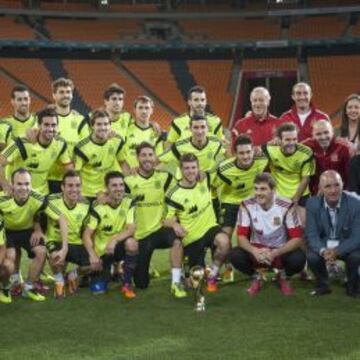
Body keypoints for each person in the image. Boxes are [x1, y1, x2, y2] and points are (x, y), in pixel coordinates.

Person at [230, 173, 305, 296]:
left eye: (263, 189)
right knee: (235, 255)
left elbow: (297, 238)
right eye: (256, 189)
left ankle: (283, 275)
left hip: (280, 251)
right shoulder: (246, 205)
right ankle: (256, 276)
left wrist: (275, 253)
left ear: (273, 190)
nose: (258, 193)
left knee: (299, 258)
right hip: (257, 251)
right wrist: (254, 251)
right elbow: (241, 237)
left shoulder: (286, 205)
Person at [164, 153, 230, 293]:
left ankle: (213, 273)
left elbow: (221, 167)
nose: (191, 171)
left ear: (198, 168)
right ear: (181, 170)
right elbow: (166, 220)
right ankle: (185, 276)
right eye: (187, 168)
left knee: (224, 242)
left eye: (194, 167)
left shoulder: (205, 179)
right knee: (193, 284)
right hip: (191, 237)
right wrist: (175, 225)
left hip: (210, 227)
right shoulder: (174, 194)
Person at [124, 142, 184, 296]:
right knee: (141, 284)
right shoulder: (129, 181)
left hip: (160, 229)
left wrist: (174, 222)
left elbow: (179, 184)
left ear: (155, 157)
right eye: (143, 155)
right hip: (141, 236)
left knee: (178, 239)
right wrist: (101, 195)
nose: (147, 158)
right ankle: (126, 266)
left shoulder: (165, 177)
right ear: (137, 158)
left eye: (150, 155)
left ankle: (177, 282)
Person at [0, 168, 67, 303]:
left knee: (41, 251)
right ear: (12, 184)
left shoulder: (37, 197)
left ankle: (28, 287)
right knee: (9, 260)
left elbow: (61, 217)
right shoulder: (3, 198)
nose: (24, 188)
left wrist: (64, 247)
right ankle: (6, 287)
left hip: (27, 230)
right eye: (19, 184)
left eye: (27, 184)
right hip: (7, 232)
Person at [83, 171, 138, 298]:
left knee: (132, 243)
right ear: (107, 188)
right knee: (98, 289)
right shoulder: (98, 207)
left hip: (117, 247)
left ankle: (126, 282)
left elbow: (131, 229)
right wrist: (93, 255)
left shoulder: (129, 201)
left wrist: (114, 240)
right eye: (114, 185)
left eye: (121, 185)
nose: (119, 188)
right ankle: (78, 274)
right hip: (102, 252)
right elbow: (87, 234)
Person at [306, 170, 360, 297]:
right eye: (328, 186)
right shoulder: (312, 204)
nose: (333, 190)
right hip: (324, 244)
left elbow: (357, 237)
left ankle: (353, 287)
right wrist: (323, 250)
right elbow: (312, 234)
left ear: (343, 185)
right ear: (320, 189)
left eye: (337, 185)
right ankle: (322, 285)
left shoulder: (356, 204)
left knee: (356, 256)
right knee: (312, 256)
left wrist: (337, 251)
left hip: (345, 242)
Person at [0, 108, 73, 195]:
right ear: (38, 125)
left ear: (57, 126)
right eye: (46, 125)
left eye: (53, 125)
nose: (50, 129)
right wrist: (5, 185)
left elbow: (68, 166)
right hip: (18, 194)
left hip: (41, 195)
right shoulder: (22, 143)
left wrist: (72, 186)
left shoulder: (60, 144)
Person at [45, 170, 93, 298]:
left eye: (77, 186)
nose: (74, 189)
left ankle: (73, 275)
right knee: (56, 257)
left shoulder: (86, 204)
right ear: (62, 187)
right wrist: (38, 229)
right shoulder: (51, 200)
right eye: (70, 186)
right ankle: (59, 281)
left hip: (77, 242)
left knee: (95, 264)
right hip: (56, 241)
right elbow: (36, 212)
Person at [214, 134, 268, 238]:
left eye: (248, 152)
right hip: (230, 202)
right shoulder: (225, 169)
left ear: (253, 150)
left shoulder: (262, 159)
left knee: (254, 235)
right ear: (235, 154)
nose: (246, 156)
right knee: (224, 238)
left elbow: (274, 147)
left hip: (251, 201)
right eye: (241, 153)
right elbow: (212, 185)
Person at [48, 77, 89, 193]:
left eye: (68, 92)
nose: (65, 95)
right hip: (48, 179)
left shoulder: (80, 120)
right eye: (61, 92)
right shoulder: (46, 119)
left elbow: (86, 148)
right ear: (54, 95)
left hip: (71, 180)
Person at [74, 110, 125, 200]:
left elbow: (123, 163)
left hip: (107, 194)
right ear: (92, 126)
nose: (103, 127)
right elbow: (76, 173)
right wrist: (78, 193)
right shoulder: (81, 147)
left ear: (110, 126)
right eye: (99, 124)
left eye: (106, 124)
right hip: (87, 194)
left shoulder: (117, 141)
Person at [262, 122, 315, 208]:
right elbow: (254, 154)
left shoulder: (306, 153)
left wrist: (295, 199)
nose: (292, 143)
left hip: (301, 196)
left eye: (294, 139)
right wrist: (269, 143)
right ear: (279, 139)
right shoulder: (269, 149)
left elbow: (306, 179)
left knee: (302, 221)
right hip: (278, 197)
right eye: (288, 140)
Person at [159, 114, 225, 177]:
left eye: (203, 127)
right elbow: (164, 163)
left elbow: (224, 156)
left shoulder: (216, 142)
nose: (200, 131)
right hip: (187, 186)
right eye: (196, 127)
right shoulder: (180, 146)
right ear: (190, 129)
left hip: (208, 186)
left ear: (208, 128)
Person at [303, 120, 351, 195]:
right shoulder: (306, 147)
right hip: (316, 193)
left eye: (326, 132)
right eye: (318, 134)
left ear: (332, 132)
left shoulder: (343, 148)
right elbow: (291, 147)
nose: (323, 137)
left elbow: (349, 176)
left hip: (339, 193)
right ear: (313, 135)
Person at [121, 96, 165, 173]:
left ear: (152, 111)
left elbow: (159, 158)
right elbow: (120, 155)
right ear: (134, 110)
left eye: (147, 108)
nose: (144, 111)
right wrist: (128, 170)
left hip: (147, 177)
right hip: (128, 176)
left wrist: (144, 171)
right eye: (140, 108)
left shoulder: (157, 132)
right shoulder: (126, 130)